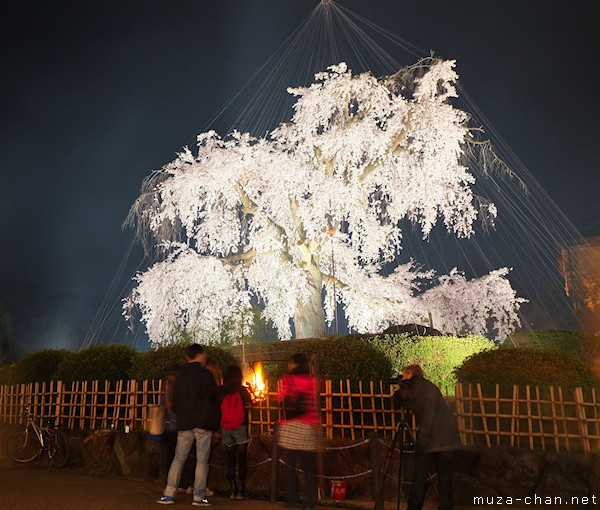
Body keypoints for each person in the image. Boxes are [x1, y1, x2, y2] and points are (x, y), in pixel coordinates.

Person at [157, 343, 221, 507]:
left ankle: (169, 493)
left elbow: (175, 399)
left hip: (184, 422)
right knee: (202, 460)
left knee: (179, 458)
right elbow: (215, 396)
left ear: (187, 357)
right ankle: (198, 497)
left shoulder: (181, 376)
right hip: (202, 423)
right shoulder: (205, 374)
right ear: (200, 355)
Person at [393, 364, 461, 510]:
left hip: (430, 437)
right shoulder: (428, 386)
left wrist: (422, 439)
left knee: (420, 474)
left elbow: (397, 404)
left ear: (410, 374)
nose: (402, 379)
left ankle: (414, 507)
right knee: (444, 475)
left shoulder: (413, 387)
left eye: (404, 375)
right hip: (447, 436)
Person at [277, 353, 319, 510]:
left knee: (290, 468)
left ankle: (292, 502)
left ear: (294, 364)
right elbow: (313, 403)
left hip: (289, 427)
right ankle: (309, 502)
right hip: (308, 426)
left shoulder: (285, 381)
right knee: (309, 468)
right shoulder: (312, 381)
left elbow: (280, 401)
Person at [219, 365, 252, 500]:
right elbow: (250, 403)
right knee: (242, 459)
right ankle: (241, 489)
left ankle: (232, 489)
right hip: (240, 426)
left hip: (226, 427)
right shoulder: (242, 390)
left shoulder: (221, 390)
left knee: (230, 460)